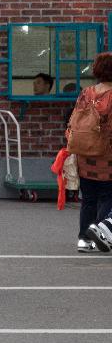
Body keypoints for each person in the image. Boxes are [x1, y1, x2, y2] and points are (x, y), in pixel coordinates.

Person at [70, 53, 112, 253]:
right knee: (107, 196)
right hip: (107, 154)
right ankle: (101, 234)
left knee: (88, 198)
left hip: (85, 151)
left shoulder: (87, 92)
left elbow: (74, 120)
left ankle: (83, 239)